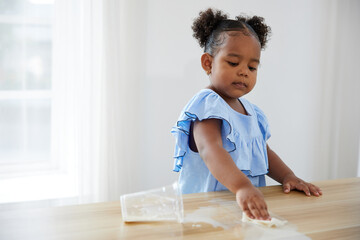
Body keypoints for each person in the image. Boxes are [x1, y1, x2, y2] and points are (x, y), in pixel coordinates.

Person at [171, 8, 322, 220]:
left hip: (241, 209)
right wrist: (242, 186)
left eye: (252, 67)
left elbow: (263, 152)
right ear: (208, 63)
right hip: (204, 212)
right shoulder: (207, 104)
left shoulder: (252, 112)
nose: (244, 71)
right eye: (233, 63)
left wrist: (288, 176)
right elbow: (210, 149)